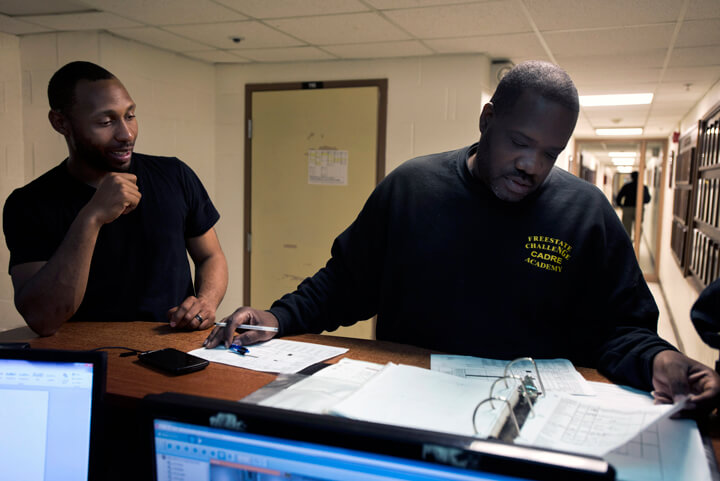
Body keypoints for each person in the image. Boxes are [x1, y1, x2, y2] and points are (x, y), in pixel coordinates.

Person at [205, 61, 719, 413]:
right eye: (521, 143)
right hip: (410, 403)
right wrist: (279, 317)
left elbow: (620, 328)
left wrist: (660, 358)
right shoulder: (412, 187)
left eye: (550, 154)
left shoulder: (586, 214)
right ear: (487, 118)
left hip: (529, 415)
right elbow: (345, 283)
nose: (532, 166)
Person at [3, 61, 228, 336]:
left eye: (130, 116)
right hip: (88, 358)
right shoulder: (28, 204)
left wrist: (206, 301)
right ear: (60, 123)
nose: (126, 134)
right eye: (106, 121)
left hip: (173, 351)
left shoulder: (175, 175)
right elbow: (42, 318)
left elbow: (210, 256)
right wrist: (92, 216)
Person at [615, 171, 651, 238]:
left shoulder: (627, 186)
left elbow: (618, 197)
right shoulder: (643, 187)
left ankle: (628, 244)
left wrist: (621, 206)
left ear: (631, 177)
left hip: (628, 208)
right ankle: (637, 242)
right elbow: (647, 199)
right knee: (638, 228)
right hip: (639, 209)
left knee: (627, 228)